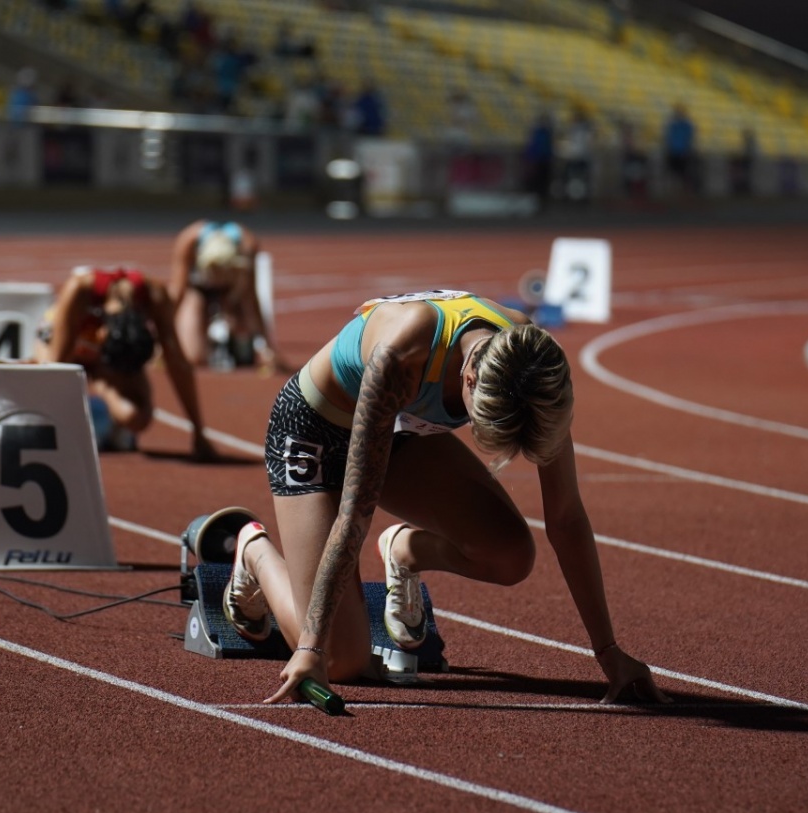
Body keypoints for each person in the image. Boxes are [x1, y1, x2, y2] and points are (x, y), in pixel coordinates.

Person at [218, 288, 667, 705]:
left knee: (509, 554)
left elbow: (566, 518)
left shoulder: (535, 369)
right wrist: (312, 647)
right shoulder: (401, 356)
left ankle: (403, 550)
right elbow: (354, 514)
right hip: (314, 433)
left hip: (399, 431)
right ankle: (254, 552)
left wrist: (608, 652)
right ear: (469, 375)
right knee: (343, 662)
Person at [35, 266, 218, 459]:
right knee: (50, 382)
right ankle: (93, 416)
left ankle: (102, 400)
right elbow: (55, 363)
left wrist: (198, 431)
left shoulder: (155, 295)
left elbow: (178, 364)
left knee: (136, 418)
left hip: (106, 361)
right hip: (63, 344)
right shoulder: (79, 289)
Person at [165, 219, 288, 372]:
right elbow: (176, 294)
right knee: (194, 355)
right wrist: (163, 338)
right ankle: (207, 339)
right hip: (197, 292)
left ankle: (233, 340)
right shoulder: (188, 241)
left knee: (244, 357)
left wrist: (267, 347)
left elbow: (251, 301)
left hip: (232, 293)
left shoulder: (247, 245)